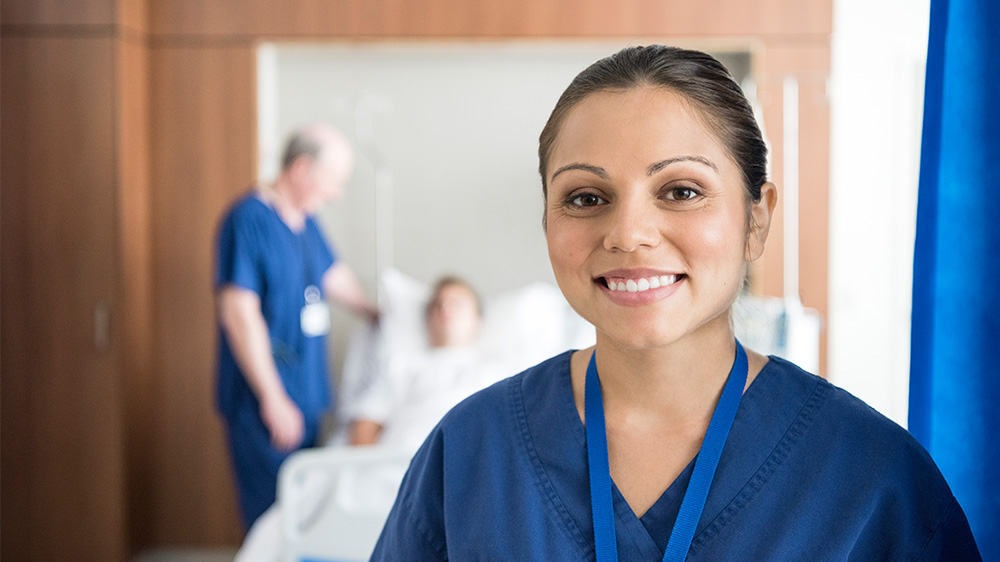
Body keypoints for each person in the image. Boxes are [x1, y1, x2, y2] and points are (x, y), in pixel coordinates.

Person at [372, 46, 981, 560]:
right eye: (586, 197)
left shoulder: (870, 477)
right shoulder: (472, 456)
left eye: (681, 190)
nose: (628, 233)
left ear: (756, 219)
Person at [215, 124, 378, 530]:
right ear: (302, 169)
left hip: (304, 394)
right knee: (272, 523)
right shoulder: (248, 220)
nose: (335, 194)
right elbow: (239, 313)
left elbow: (332, 274)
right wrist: (272, 398)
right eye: (333, 182)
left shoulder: (305, 222)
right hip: (265, 400)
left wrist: (374, 312)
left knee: (301, 520)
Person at [347, 276, 504, 449]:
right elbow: (365, 425)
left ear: (478, 321)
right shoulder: (400, 366)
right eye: (437, 304)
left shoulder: (497, 373)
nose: (445, 308)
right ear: (427, 320)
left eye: (456, 303)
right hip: (398, 467)